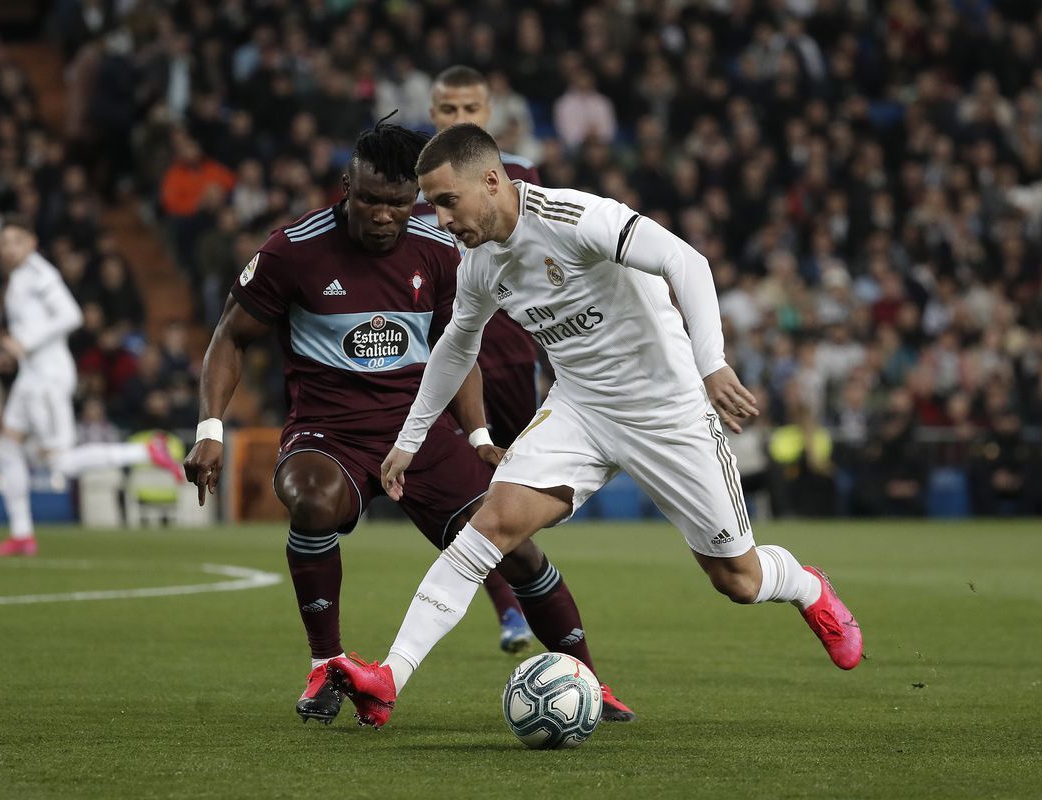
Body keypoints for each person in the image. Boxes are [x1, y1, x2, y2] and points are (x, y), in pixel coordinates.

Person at [325, 124, 863, 728]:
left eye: (448, 201)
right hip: (581, 409)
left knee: (737, 578)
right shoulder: (477, 264)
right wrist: (408, 440)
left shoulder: (574, 216)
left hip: (667, 410)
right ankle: (389, 679)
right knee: (490, 527)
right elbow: (455, 346)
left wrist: (712, 365)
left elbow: (686, 261)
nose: (441, 219)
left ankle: (806, 586)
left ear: (493, 181)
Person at [182, 122, 633, 726]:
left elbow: (459, 346)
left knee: (515, 549)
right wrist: (210, 429)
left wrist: (476, 437)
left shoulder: (440, 248)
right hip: (329, 431)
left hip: (417, 434)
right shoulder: (293, 249)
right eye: (370, 199)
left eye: (399, 203)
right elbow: (229, 337)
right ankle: (326, 665)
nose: (384, 215)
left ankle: (589, 684)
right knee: (311, 502)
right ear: (347, 187)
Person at [419, 65, 546, 651]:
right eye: (448, 110)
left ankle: (525, 597)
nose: (460, 119)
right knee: (469, 490)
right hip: (446, 362)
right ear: (432, 112)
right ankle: (509, 608)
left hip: (514, 358)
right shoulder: (417, 194)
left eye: (470, 108)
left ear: (489, 112)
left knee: (511, 489)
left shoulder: (517, 178)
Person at [0, 218, 184, 558]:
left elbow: (71, 315)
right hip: (30, 375)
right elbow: (32, 328)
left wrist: (25, 343)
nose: (9, 248)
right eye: (4, 242)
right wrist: (12, 353)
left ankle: (146, 451)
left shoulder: (39, 274)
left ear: (31, 242)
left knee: (59, 463)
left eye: (16, 240)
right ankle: (22, 535)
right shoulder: (19, 277)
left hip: (46, 378)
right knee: (6, 445)